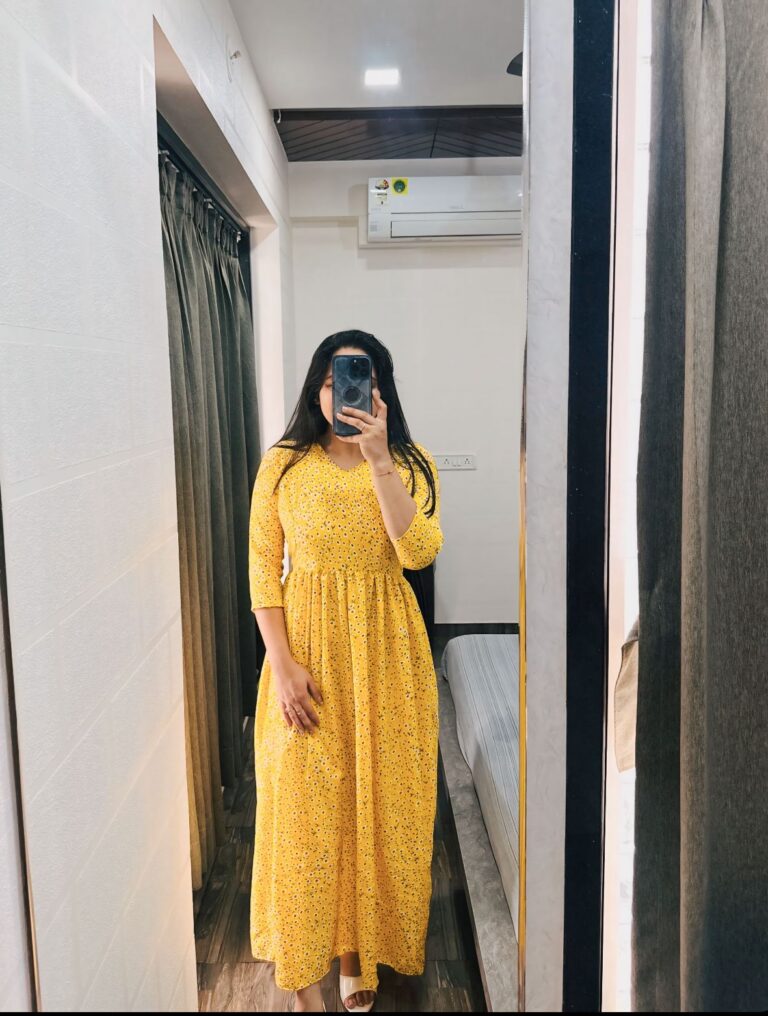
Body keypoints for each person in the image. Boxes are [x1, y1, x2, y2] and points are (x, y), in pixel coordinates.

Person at [248, 330, 444, 1013]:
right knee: (302, 817)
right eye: (335, 381)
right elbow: (262, 570)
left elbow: (418, 553)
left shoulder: (409, 462)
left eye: (362, 380)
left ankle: (357, 957)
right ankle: (304, 975)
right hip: (304, 658)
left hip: (387, 660)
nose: (346, 393)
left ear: (381, 393)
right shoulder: (283, 465)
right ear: (316, 389)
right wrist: (282, 665)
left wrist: (380, 459)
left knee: (376, 806)